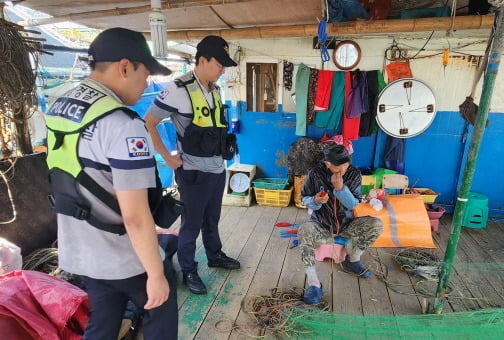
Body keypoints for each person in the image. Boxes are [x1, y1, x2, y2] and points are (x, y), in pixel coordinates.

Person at [44, 27, 178, 339]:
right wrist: (157, 273)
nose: (147, 83)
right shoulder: (122, 125)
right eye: (145, 74)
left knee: (102, 322)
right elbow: (134, 215)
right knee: (161, 304)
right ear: (124, 67)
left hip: (81, 250)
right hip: (121, 253)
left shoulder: (60, 108)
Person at [145, 35, 240, 295]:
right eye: (219, 63)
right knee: (191, 223)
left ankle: (215, 255)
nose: (222, 69)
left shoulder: (216, 89)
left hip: (217, 169)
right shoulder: (177, 89)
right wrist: (166, 156)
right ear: (202, 60)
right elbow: (149, 122)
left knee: (212, 218)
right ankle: (188, 269)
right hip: (193, 173)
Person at [298, 144, 383, 304]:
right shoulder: (315, 173)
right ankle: (314, 283)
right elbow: (304, 198)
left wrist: (341, 189)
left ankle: (353, 259)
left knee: (376, 224)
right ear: (327, 164)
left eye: (345, 165)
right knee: (304, 230)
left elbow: (353, 204)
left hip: (346, 226)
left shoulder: (354, 174)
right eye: (337, 167)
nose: (342, 169)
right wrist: (315, 201)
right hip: (321, 225)